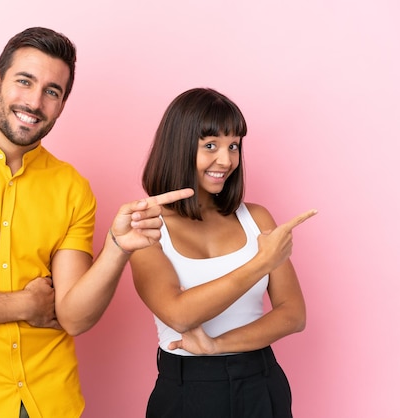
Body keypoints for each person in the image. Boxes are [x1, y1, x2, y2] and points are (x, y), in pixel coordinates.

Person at [0, 27, 192, 418]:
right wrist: (23, 304)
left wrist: (116, 248)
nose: (34, 101)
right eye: (24, 81)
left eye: (52, 91)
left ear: (62, 104)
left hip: (53, 403)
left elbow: (74, 317)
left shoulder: (72, 188)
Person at [129, 87, 317, 418]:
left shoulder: (256, 218)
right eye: (211, 146)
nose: (226, 160)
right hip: (186, 390)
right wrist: (262, 263)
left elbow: (293, 314)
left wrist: (217, 346)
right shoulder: (148, 227)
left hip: (260, 380)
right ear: (180, 147)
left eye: (234, 146)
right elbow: (179, 314)